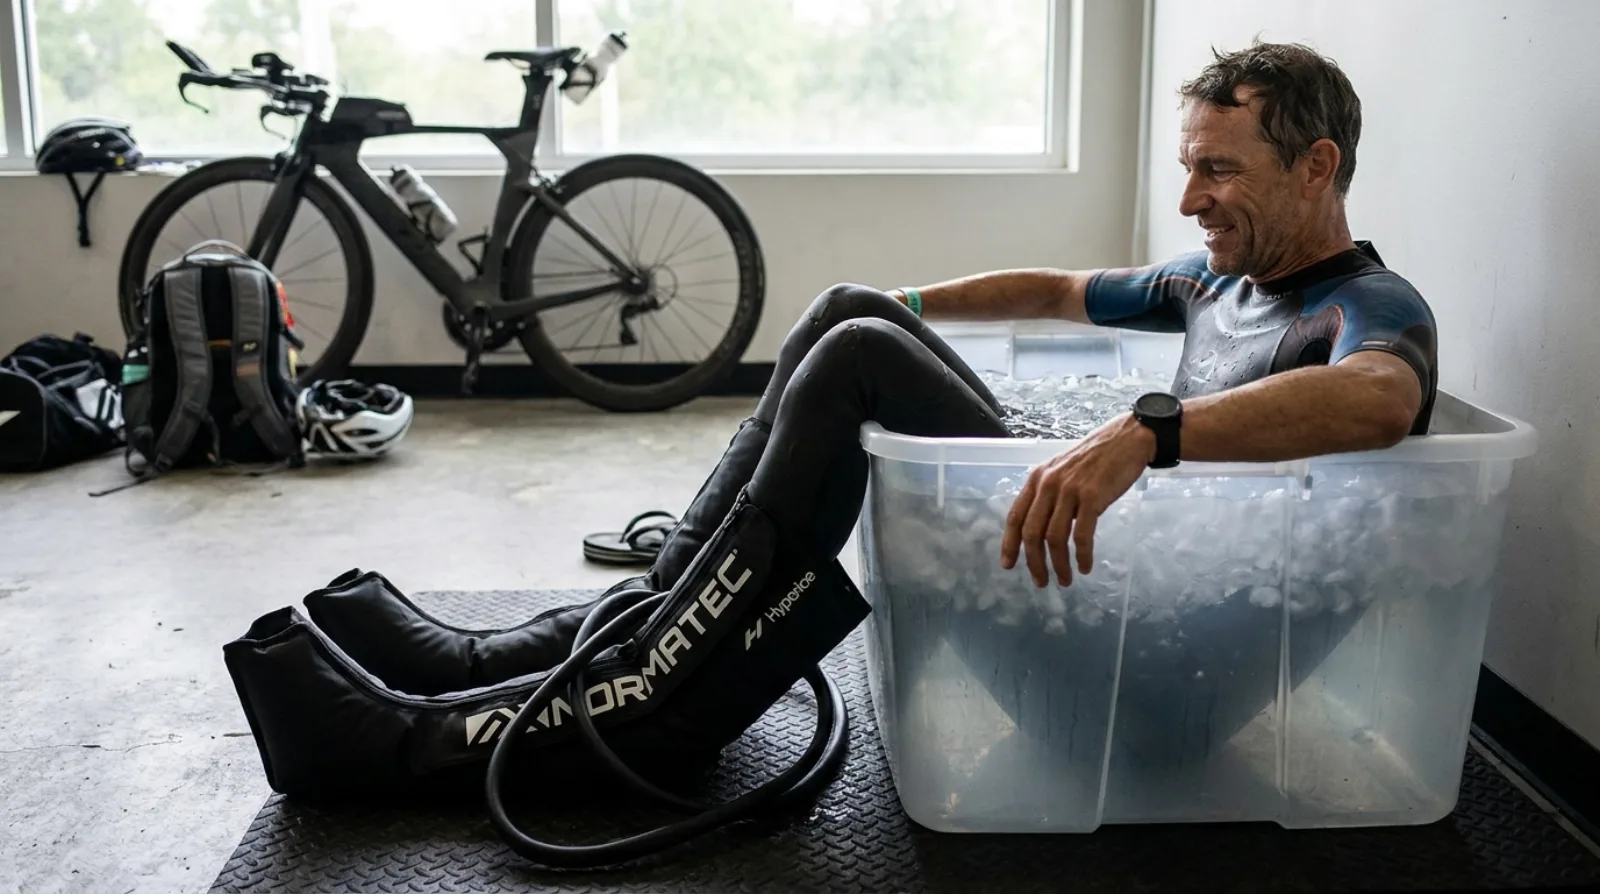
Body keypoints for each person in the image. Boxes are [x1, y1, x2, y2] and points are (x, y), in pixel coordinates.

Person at [221, 39, 1439, 824]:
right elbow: (1056, 289)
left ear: (1316, 166)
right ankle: (592, 641)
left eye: (1218, 172)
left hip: (1156, 696)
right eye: (1187, 169)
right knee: (850, 318)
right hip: (1106, 611)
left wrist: (1143, 432)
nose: (1189, 200)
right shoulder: (1215, 283)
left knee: (855, 356)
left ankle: (635, 708)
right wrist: (897, 303)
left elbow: (1383, 400)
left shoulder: (1361, 308)